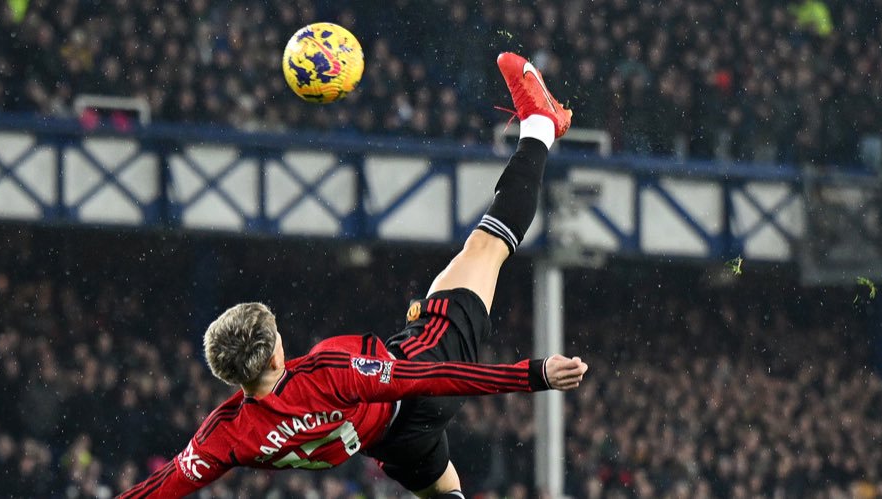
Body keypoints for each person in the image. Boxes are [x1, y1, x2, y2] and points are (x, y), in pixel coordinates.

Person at [119, 52, 583, 498]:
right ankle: (541, 124)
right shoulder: (327, 372)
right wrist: (534, 374)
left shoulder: (227, 436)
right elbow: (429, 377)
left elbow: (160, 487)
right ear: (276, 352)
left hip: (395, 445)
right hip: (419, 382)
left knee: (443, 488)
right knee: (488, 245)